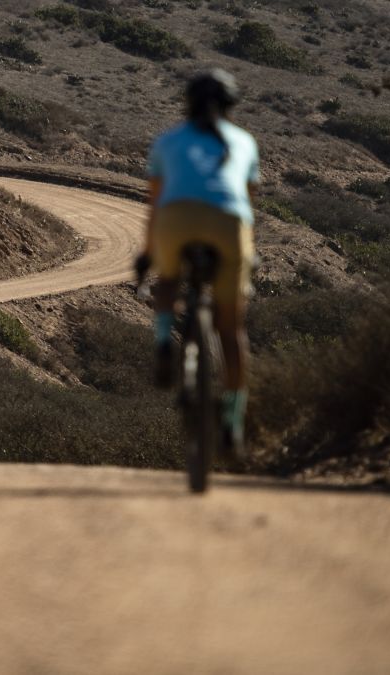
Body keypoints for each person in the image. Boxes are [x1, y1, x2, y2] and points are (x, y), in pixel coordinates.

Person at [136, 69, 259, 456]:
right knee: (231, 328)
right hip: (229, 224)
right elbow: (247, 203)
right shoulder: (244, 141)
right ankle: (233, 421)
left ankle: (161, 344)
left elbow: (155, 205)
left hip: (176, 220)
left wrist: (147, 254)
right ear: (231, 107)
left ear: (186, 104)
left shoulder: (167, 141)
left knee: (168, 280)